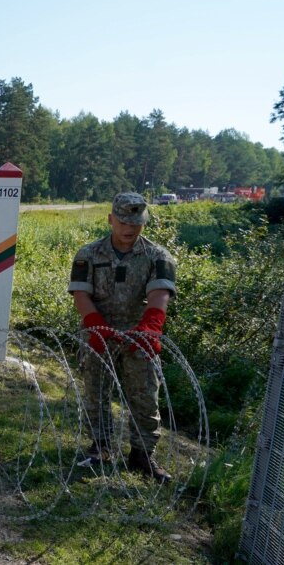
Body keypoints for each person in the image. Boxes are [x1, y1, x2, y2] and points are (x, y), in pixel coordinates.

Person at [68, 192, 176, 483]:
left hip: (138, 333)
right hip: (98, 331)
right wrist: (96, 326)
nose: (129, 229)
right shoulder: (89, 254)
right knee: (96, 393)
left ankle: (142, 455)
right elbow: (81, 294)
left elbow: (159, 294)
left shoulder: (157, 256)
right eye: (123, 222)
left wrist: (150, 327)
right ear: (110, 220)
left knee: (144, 396)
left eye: (136, 223)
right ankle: (100, 447)